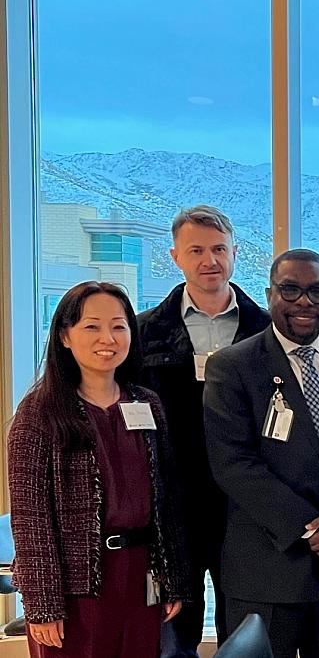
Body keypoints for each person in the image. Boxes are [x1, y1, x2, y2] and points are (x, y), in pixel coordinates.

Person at [203, 249, 319, 658]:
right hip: (267, 568)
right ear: (270, 293)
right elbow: (233, 465)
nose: (304, 302)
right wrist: (314, 530)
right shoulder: (232, 367)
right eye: (290, 290)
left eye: (316, 292)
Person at [8, 281, 189, 657]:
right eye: (92, 326)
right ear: (64, 336)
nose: (107, 337)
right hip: (75, 584)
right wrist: (42, 605)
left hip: (141, 575)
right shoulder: (39, 413)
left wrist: (173, 580)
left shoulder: (146, 403)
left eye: (119, 326)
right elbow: (30, 518)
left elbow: (166, 500)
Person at [137, 205, 271, 656]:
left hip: (245, 503)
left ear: (235, 252)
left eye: (218, 249)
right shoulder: (143, 333)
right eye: (196, 250)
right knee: (175, 630)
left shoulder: (266, 331)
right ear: (176, 256)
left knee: (246, 625)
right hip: (173, 503)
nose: (208, 260)